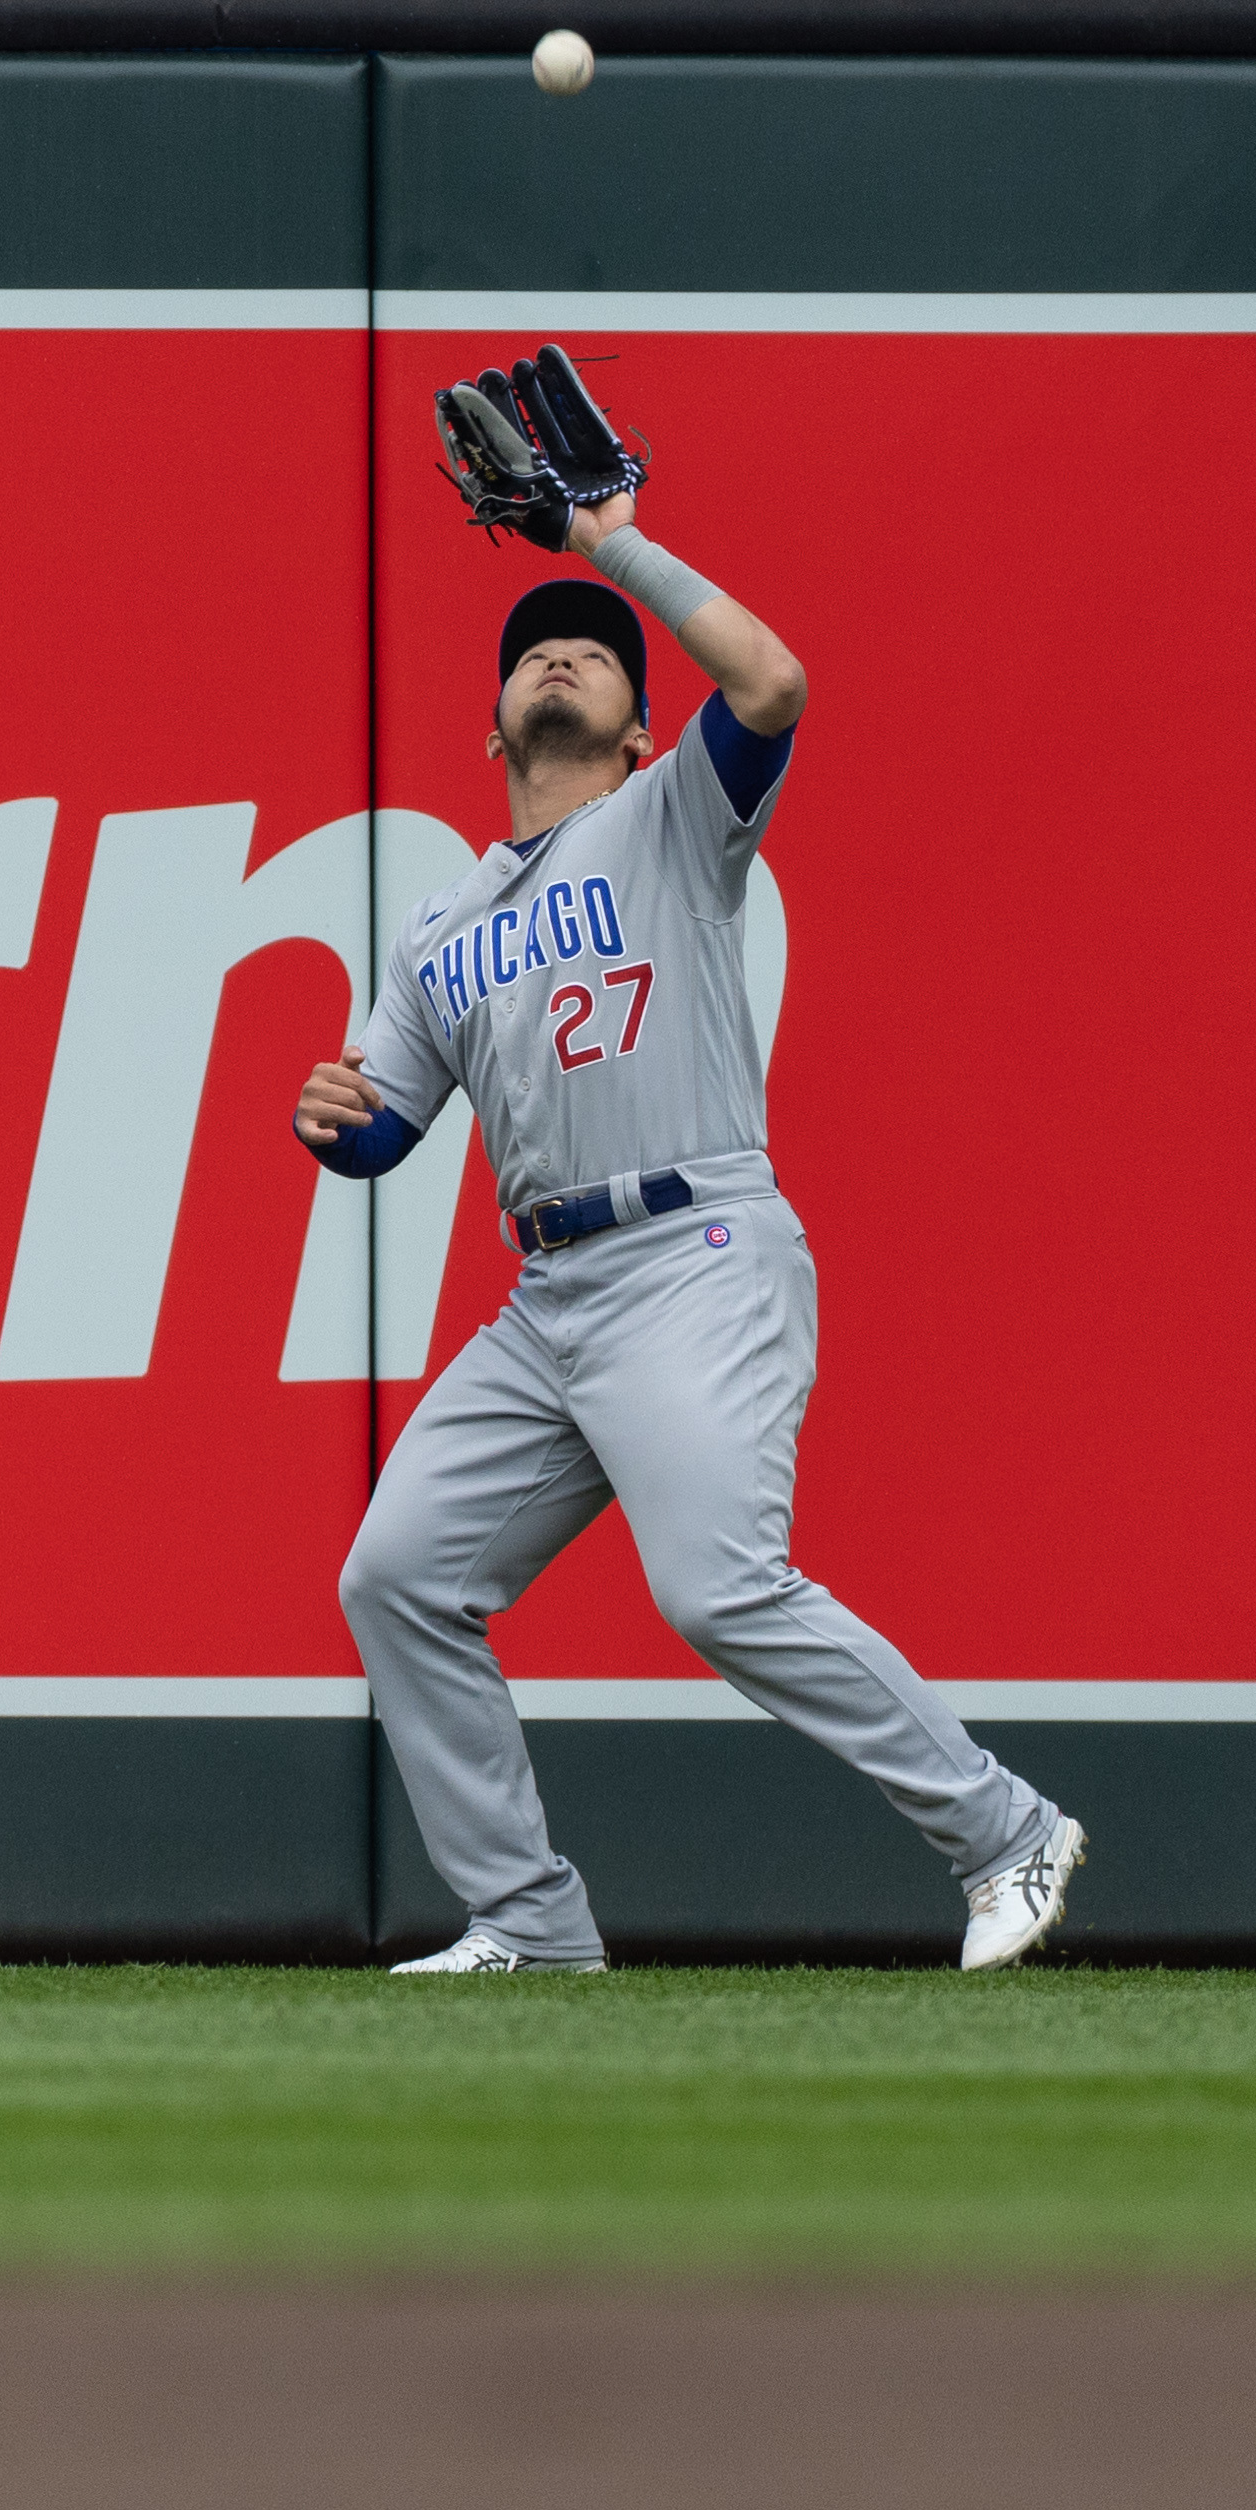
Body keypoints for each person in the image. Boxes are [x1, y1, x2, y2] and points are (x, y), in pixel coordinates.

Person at [294, 480, 1085, 1972]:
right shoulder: (440, 928)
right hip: (552, 1304)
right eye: (536, 648)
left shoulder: (675, 819)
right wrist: (332, 1117)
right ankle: (530, 1926)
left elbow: (772, 682)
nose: (564, 655)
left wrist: (610, 548)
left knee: (717, 1585)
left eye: (595, 652)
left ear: (645, 731)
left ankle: (1007, 1833)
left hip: (695, 1253)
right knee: (396, 1575)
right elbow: (383, 1129)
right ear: (491, 732)